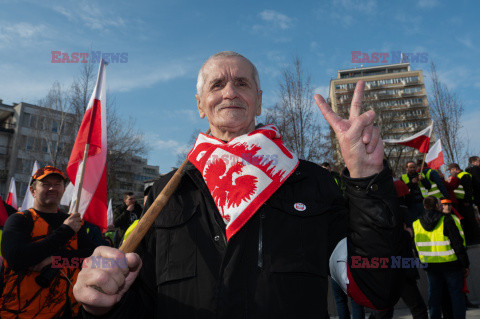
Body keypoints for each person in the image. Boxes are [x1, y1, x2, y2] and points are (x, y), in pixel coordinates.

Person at [73, 51, 405, 318]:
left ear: (258, 101)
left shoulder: (311, 181)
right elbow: (141, 304)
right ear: (200, 104)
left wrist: (367, 178)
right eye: (216, 85)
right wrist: (103, 302)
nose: (230, 91)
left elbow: (376, 287)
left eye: (241, 83)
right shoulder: (166, 192)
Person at [0, 166, 97, 318]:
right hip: (22, 312)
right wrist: (65, 231)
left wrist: (55, 259)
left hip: (69, 312)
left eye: (57, 184)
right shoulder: (19, 219)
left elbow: (92, 260)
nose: (52, 188)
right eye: (45, 184)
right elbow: (16, 258)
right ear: (33, 191)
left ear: (64, 189)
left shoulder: (76, 223)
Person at [413, 196, 469, 319]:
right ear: (438, 206)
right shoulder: (446, 220)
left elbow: (416, 247)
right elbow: (457, 244)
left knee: (434, 296)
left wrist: (423, 263)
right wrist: (465, 264)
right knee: (456, 296)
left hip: (431, 267)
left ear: (424, 206)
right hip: (451, 265)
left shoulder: (416, 224)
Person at [447, 163, 480, 245]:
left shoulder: (464, 175)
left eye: (450, 170)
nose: (450, 172)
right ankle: (470, 239)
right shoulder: (457, 176)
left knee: (470, 221)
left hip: (465, 202)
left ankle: (476, 240)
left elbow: (468, 189)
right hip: (460, 202)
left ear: (454, 169)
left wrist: (467, 201)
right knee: (465, 221)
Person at [402, 161, 431, 226]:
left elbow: (429, 186)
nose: (412, 169)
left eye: (414, 167)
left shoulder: (421, 175)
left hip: (423, 203)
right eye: (410, 167)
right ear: (407, 168)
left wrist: (423, 179)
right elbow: (403, 190)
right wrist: (411, 183)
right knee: (415, 224)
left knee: (426, 221)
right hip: (411, 204)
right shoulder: (403, 177)